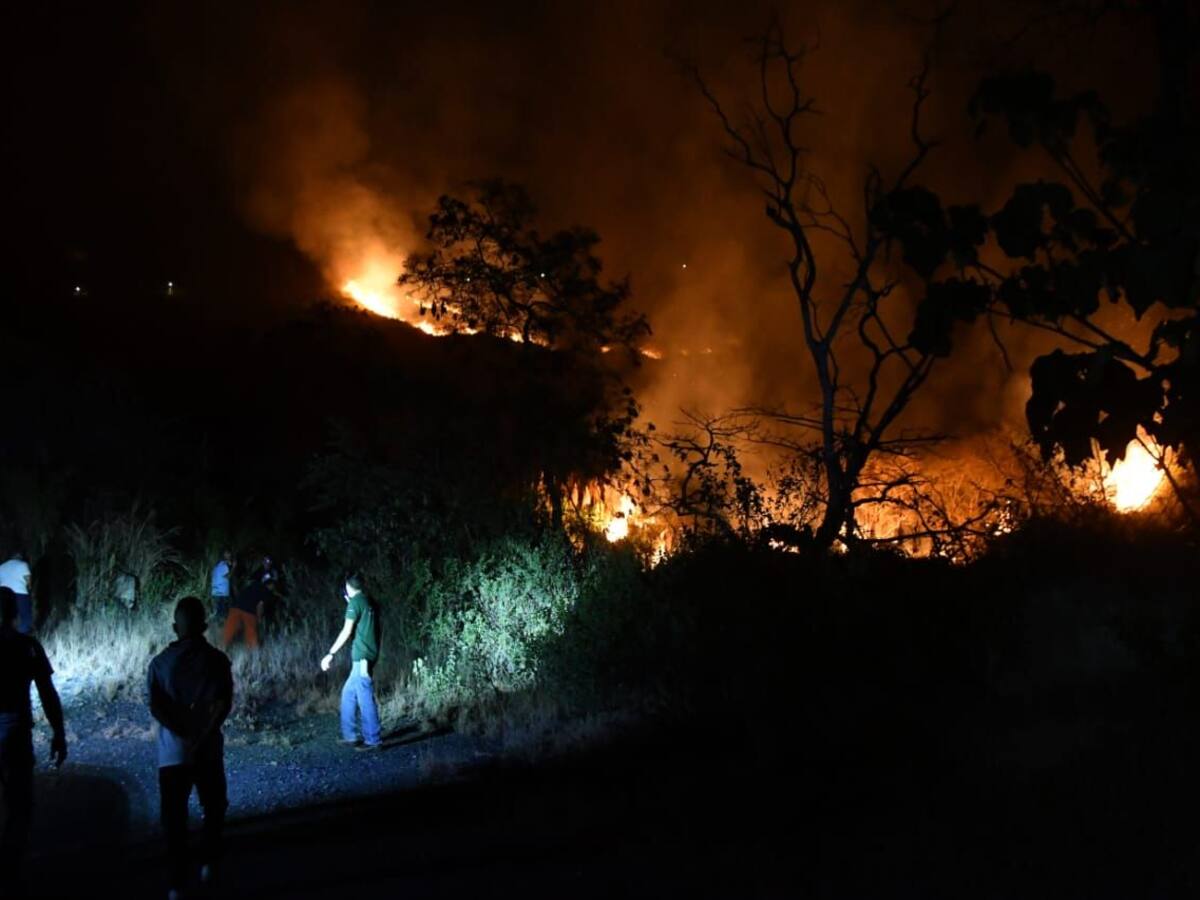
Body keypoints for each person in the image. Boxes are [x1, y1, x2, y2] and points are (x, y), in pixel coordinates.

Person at [148, 596, 233, 899]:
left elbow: (156, 708)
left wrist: (182, 733)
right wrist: (202, 734)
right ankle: (209, 863)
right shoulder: (219, 661)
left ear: (175, 627)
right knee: (213, 807)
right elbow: (224, 704)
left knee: (174, 818)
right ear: (205, 626)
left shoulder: (158, 664)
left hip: (172, 754)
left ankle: (176, 881)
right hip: (207, 749)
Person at [0, 586, 67, 896]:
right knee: (20, 806)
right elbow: (47, 693)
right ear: (14, 612)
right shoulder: (28, 647)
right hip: (15, 734)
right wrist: (59, 733)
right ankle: (11, 872)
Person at [320, 573, 382, 750]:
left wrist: (330, 653)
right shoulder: (368, 601)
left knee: (364, 696)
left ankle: (373, 740)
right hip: (366, 654)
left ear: (348, 588)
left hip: (362, 656)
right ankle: (350, 736)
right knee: (348, 694)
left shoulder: (355, 603)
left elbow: (346, 631)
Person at [0, 551, 34, 634]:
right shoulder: (23, 564)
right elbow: (28, 581)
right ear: (20, 558)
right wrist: (30, 589)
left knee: (6, 618)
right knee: (26, 619)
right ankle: (19, 638)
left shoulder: (1, 566)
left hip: (3, 594)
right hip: (20, 594)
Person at [210, 549, 235, 622]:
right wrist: (234, 568)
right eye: (228, 554)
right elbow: (228, 576)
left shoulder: (216, 566)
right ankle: (221, 631)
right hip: (222, 594)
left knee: (218, 613)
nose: (230, 555)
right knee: (224, 614)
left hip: (215, 592)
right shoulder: (224, 566)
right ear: (224, 555)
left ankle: (215, 630)